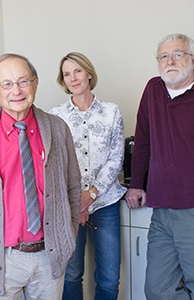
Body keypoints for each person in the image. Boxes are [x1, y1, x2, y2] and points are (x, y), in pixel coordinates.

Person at [0, 53, 81, 300]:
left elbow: (73, 188)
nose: (16, 91)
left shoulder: (57, 129)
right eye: (7, 84)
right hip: (0, 258)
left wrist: (68, 234)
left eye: (23, 81)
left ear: (35, 83)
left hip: (49, 256)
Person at [50, 52, 126, 300]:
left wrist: (91, 195)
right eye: (67, 74)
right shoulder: (56, 116)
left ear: (89, 73)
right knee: (71, 274)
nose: (73, 78)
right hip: (69, 207)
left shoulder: (111, 112)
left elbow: (116, 158)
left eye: (77, 71)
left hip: (105, 203)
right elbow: (56, 163)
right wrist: (77, 199)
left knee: (108, 277)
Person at [125, 33, 194, 300]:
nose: (170, 61)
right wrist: (136, 184)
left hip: (191, 208)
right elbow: (142, 138)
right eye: (163, 56)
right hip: (161, 207)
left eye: (177, 54)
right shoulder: (154, 88)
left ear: (191, 59)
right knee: (157, 287)